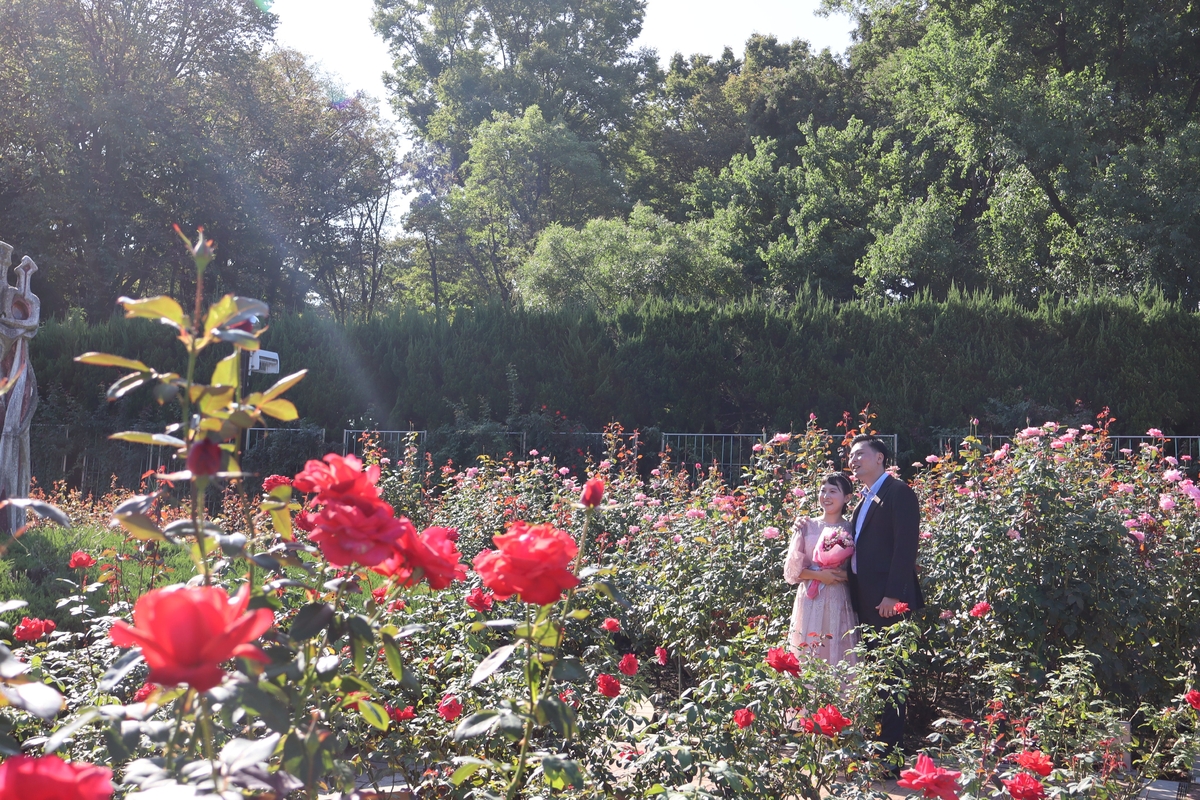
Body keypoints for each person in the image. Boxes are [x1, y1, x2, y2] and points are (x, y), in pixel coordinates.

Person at [846, 434, 925, 768]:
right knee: (876, 676)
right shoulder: (865, 499)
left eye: (860, 454)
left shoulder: (898, 493)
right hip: (865, 601)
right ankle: (878, 747)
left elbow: (905, 548)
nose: (853, 460)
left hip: (888, 603)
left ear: (880, 458)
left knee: (890, 678)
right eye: (850, 455)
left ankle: (890, 756)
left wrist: (893, 594)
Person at [783, 473, 859, 667]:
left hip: (839, 597)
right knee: (808, 647)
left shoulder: (852, 528)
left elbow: (859, 570)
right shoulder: (806, 526)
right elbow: (792, 571)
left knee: (837, 648)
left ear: (847, 498)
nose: (826, 496)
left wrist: (838, 576)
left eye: (833, 491)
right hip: (810, 598)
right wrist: (819, 575)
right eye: (822, 490)